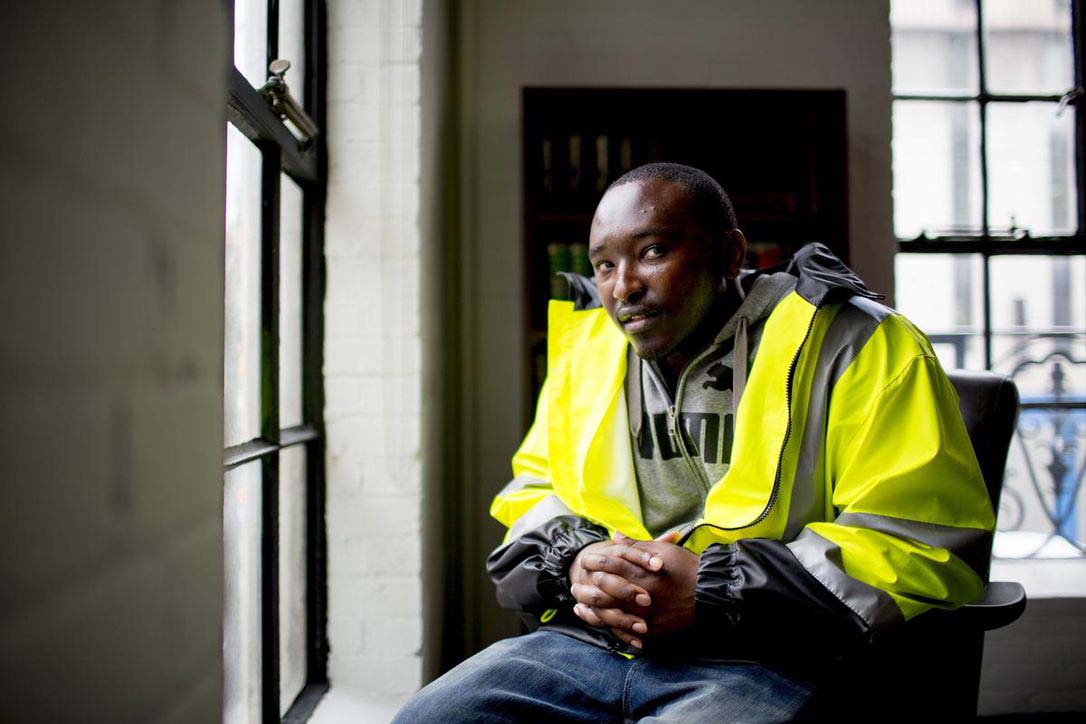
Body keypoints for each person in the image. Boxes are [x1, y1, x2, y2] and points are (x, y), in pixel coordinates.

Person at [394, 163, 995, 723]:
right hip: (593, 644)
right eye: (604, 265)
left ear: (729, 253)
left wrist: (714, 592)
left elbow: (916, 540)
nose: (623, 287)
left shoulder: (856, 342)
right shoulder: (589, 351)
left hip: (773, 655)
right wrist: (578, 561)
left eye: (652, 252)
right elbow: (532, 493)